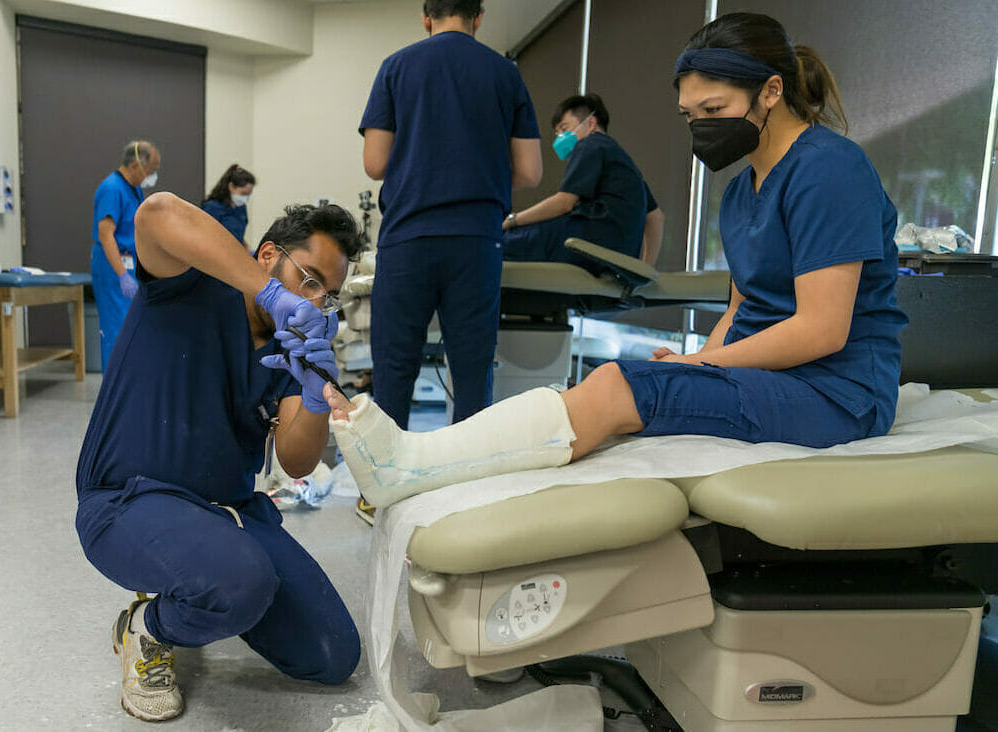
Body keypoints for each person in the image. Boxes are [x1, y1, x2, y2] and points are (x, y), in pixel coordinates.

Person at [325, 11, 908, 513]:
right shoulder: (741, 191)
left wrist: (705, 368)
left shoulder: (829, 170)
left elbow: (822, 329)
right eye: (690, 115)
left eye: (714, 107)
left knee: (612, 388)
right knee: (616, 390)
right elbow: (745, 304)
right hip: (767, 375)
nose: (701, 125)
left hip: (836, 392)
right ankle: (414, 464)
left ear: (772, 92)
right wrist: (701, 357)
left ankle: (411, 463)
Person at [75, 195, 364, 721]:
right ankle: (149, 628)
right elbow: (156, 213)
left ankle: (211, 583)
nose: (316, 301)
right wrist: (273, 295)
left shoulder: (288, 350)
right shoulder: (190, 283)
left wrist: (319, 386)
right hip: (129, 501)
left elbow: (298, 462)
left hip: (228, 517)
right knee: (240, 582)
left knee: (332, 653)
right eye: (310, 279)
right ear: (268, 254)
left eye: (329, 295)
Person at [359, 0, 543, 433]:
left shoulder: (395, 67)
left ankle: (378, 492)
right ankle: (467, 490)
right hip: (477, 240)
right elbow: (531, 172)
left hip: (408, 236)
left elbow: (374, 163)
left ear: (426, 18)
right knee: (472, 368)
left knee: (394, 366)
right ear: (478, 17)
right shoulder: (505, 73)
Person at [501, 93, 650, 275]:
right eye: (557, 133)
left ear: (590, 123)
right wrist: (641, 274)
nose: (559, 138)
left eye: (564, 129)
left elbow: (564, 203)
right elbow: (656, 218)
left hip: (589, 245)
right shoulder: (624, 163)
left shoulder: (590, 144)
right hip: (617, 258)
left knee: (499, 242)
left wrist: (512, 220)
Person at [91, 140, 160, 370]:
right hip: (113, 266)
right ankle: (113, 390)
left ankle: (128, 384)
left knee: (131, 327)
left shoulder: (134, 189)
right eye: (150, 171)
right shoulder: (111, 188)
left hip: (130, 265)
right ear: (135, 166)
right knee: (116, 328)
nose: (152, 176)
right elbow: (106, 234)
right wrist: (122, 274)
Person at [201, 163, 256, 246]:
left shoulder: (241, 208)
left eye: (249, 194)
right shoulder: (212, 207)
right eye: (243, 193)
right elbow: (203, 237)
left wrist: (249, 252)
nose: (246, 198)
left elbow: (238, 236)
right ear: (231, 186)